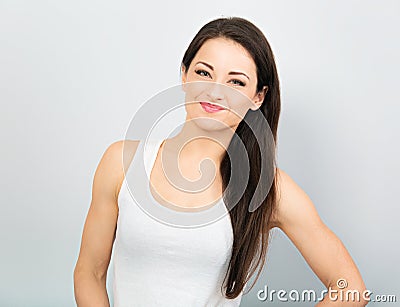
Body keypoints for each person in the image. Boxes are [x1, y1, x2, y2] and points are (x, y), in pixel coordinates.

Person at [73, 16, 368, 306]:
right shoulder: (122, 162)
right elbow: (90, 272)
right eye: (204, 73)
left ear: (258, 97)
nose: (216, 91)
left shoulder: (267, 187)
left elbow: (350, 288)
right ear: (184, 74)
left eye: (236, 82)